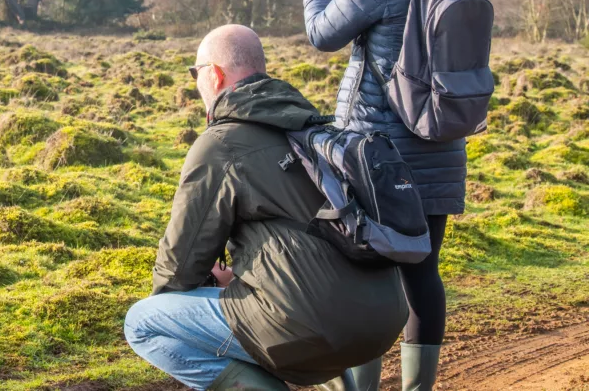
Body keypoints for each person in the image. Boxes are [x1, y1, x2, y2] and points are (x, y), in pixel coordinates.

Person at [124, 24, 408, 391]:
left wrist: (176, 300)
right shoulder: (316, 127)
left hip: (313, 325)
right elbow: (305, 242)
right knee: (298, 307)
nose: (195, 83)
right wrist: (238, 282)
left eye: (196, 73)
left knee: (143, 322)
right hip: (383, 317)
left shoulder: (221, 143)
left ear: (215, 74)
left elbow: (178, 268)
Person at [296, 0, 485, 391]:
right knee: (422, 277)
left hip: (375, 158)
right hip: (442, 149)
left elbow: (322, 34)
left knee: (364, 278)